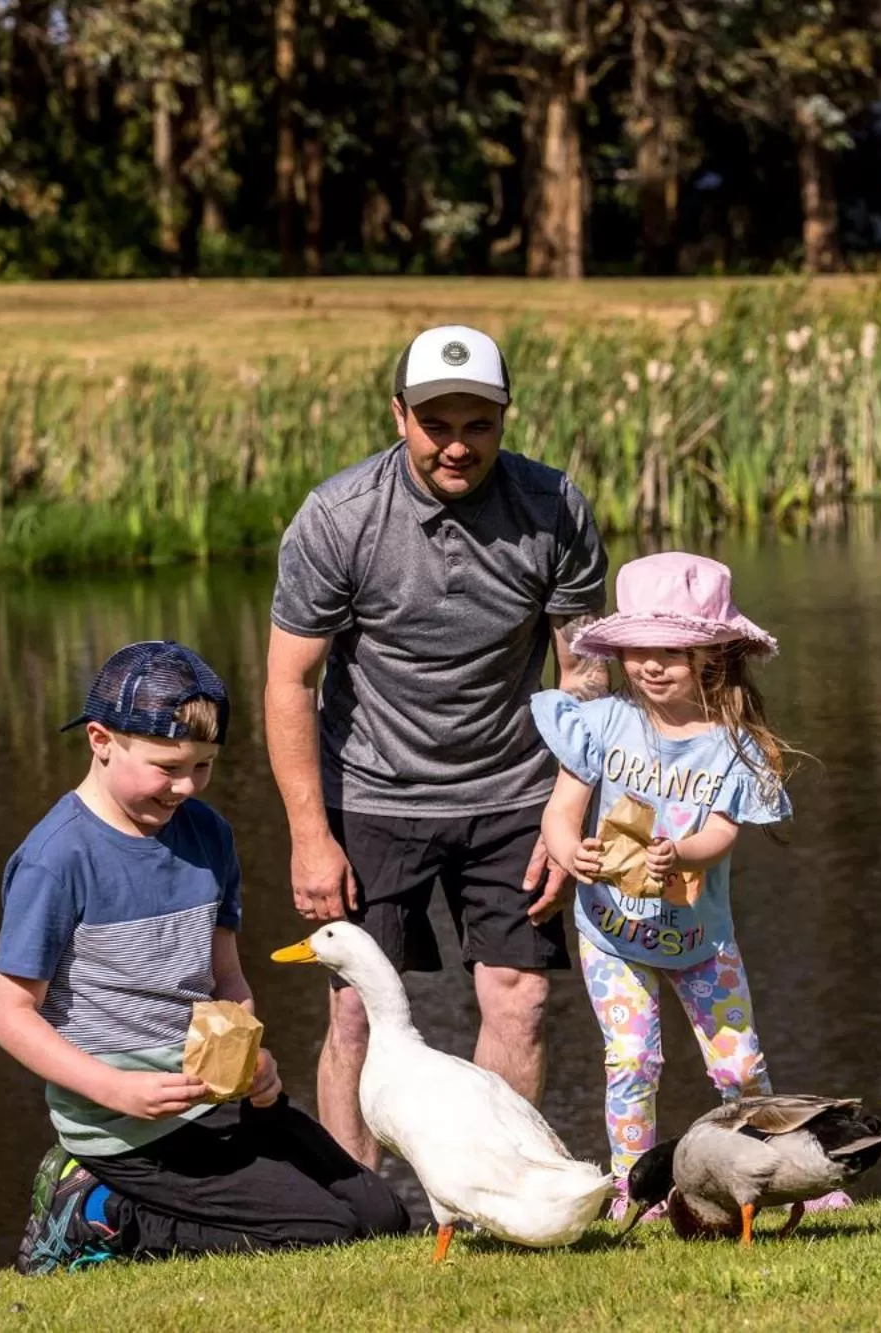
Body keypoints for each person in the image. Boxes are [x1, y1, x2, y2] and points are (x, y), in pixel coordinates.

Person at [265, 324, 610, 1167]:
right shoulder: (340, 517)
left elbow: (588, 673)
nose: (457, 445)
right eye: (437, 424)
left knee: (520, 998)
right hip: (374, 796)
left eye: (478, 424)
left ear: (504, 417)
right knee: (355, 1009)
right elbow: (289, 683)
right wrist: (311, 836)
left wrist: (569, 811)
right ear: (400, 414)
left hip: (514, 794)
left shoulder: (553, 509)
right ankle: (354, 1211)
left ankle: (496, 1192)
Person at [0, 640, 410, 1275]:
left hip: (220, 1100)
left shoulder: (208, 834)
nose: (186, 787)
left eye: (204, 766)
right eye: (167, 767)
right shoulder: (57, 859)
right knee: (324, 1233)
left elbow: (226, 977)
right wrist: (117, 1089)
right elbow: (10, 1015)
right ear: (100, 740)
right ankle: (95, 1209)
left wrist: (253, 1057)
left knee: (383, 1219)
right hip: (125, 1128)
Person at [532, 551, 846, 1218]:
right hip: (612, 936)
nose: (650, 664)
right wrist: (569, 851)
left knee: (738, 1069)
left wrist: (678, 855)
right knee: (633, 1061)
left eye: (670, 650)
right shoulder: (602, 722)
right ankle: (630, 1192)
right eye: (638, 648)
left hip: (703, 940)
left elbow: (721, 836)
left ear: (712, 655)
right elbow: (561, 810)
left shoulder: (732, 746)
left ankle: (788, 1173)